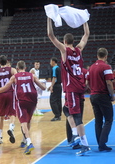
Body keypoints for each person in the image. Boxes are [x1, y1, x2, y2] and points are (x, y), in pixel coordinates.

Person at [47, 17, 91, 156]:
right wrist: (84, 20)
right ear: (73, 41)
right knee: (66, 110)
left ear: (65, 42)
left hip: (71, 88)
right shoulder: (79, 49)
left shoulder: (65, 51)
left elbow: (51, 35)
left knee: (76, 116)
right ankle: (75, 136)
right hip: (79, 86)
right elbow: (86, 35)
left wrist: (49, 18)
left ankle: (84, 144)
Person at [0, 60, 46, 155]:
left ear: (17, 69)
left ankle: (29, 142)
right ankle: (24, 140)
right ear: (26, 68)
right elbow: (43, 87)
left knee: (23, 121)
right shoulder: (32, 75)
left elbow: (3, 88)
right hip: (33, 100)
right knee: (28, 121)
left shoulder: (15, 77)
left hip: (21, 99)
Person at [87, 48, 114, 151]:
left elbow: (87, 83)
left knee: (98, 120)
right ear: (106, 56)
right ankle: (102, 144)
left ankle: (100, 143)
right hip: (103, 95)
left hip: (93, 96)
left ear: (97, 55)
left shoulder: (91, 68)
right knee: (108, 119)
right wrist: (112, 95)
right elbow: (109, 83)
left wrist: (93, 89)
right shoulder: (106, 67)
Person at [0, 55, 17, 144]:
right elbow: (17, 79)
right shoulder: (11, 69)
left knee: (0, 116)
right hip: (10, 93)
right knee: (12, 113)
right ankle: (11, 128)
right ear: (7, 61)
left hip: (1, 94)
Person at [48, 57, 62, 121]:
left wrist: (52, 86)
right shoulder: (59, 68)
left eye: (51, 61)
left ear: (53, 61)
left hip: (56, 86)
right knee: (58, 100)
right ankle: (59, 114)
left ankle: (56, 115)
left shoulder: (54, 68)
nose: (50, 63)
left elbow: (54, 78)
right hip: (59, 86)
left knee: (52, 101)